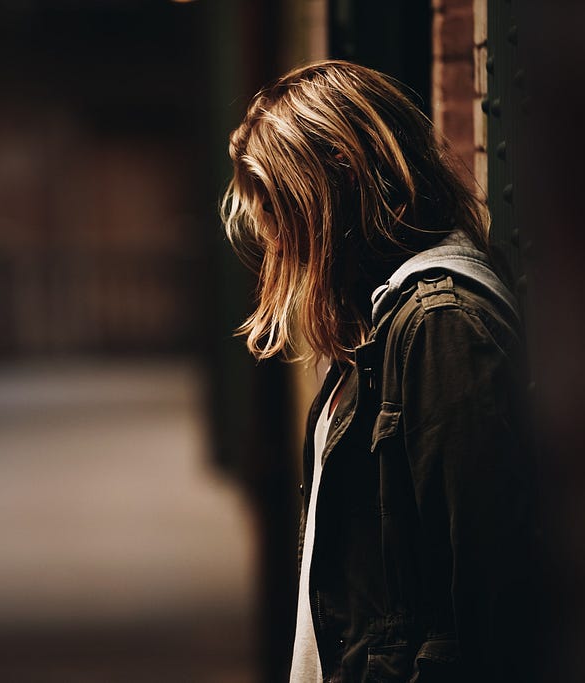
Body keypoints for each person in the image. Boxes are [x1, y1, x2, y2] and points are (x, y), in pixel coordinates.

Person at [221, 60, 539, 682]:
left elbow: (487, 603)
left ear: (337, 183)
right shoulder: (385, 323)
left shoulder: (440, 326)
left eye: (283, 215)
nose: (279, 246)